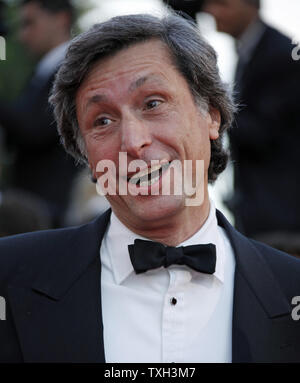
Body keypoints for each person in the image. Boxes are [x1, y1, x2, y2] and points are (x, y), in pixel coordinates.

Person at [0, 13, 299, 363]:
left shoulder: (291, 290)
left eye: (153, 103)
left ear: (212, 116)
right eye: (103, 121)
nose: (133, 141)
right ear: (85, 155)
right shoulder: (9, 277)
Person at [203, 0, 300, 238]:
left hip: (280, 221)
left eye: (221, 4)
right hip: (260, 214)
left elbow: (261, 133)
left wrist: (209, 108)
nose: (210, 11)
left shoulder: (280, 54)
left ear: (251, 5)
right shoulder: (251, 50)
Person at [0, 0, 79, 227]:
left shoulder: (72, 70)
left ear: (61, 19)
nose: (23, 36)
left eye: (30, 23)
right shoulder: (41, 72)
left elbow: (34, 128)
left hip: (51, 210)